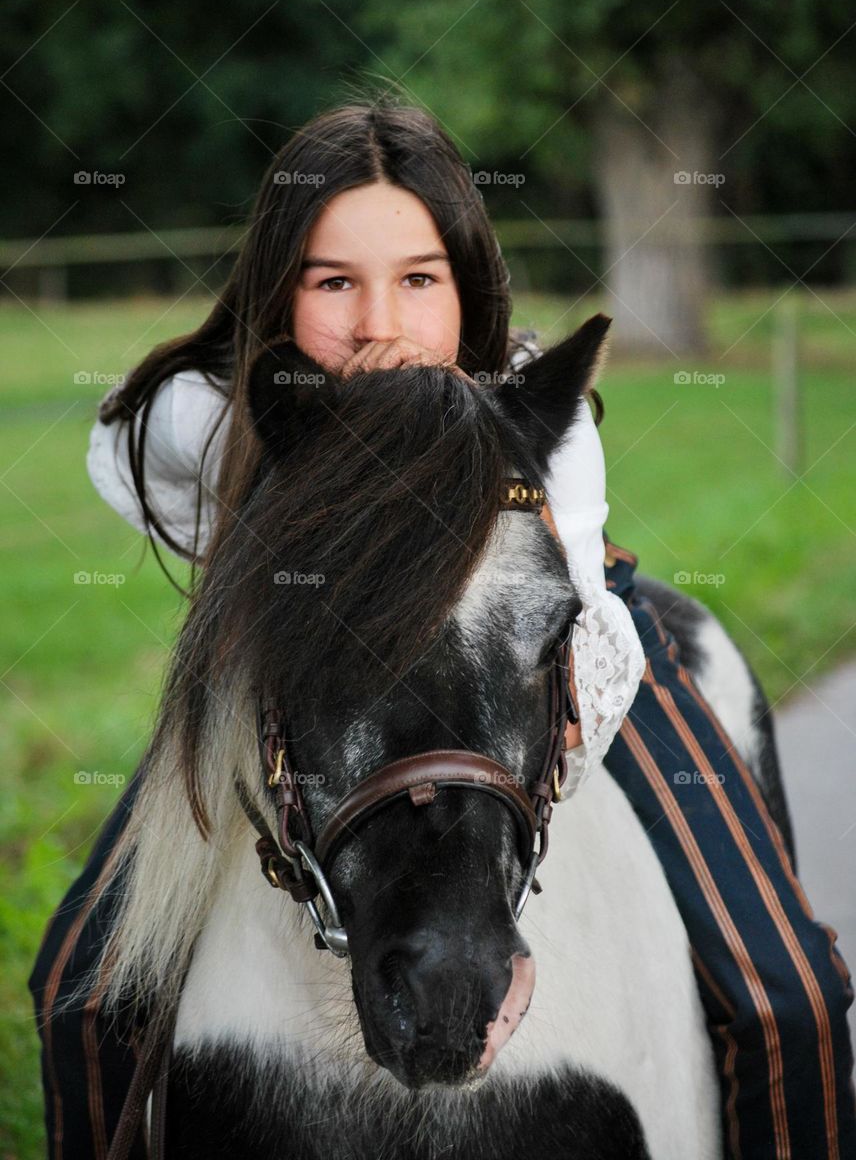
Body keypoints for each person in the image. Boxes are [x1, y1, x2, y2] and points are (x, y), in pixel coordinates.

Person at [29, 98, 856, 1160]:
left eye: (419, 279)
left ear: (465, 295)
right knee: (77, 992)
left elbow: (578, 635)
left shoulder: (536, 425)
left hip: (545, 654)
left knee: (789, 993)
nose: (380, 323)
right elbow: (120, 449)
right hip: (315, 670)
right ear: (280, 297)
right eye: (334, 282)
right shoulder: (218, 410)